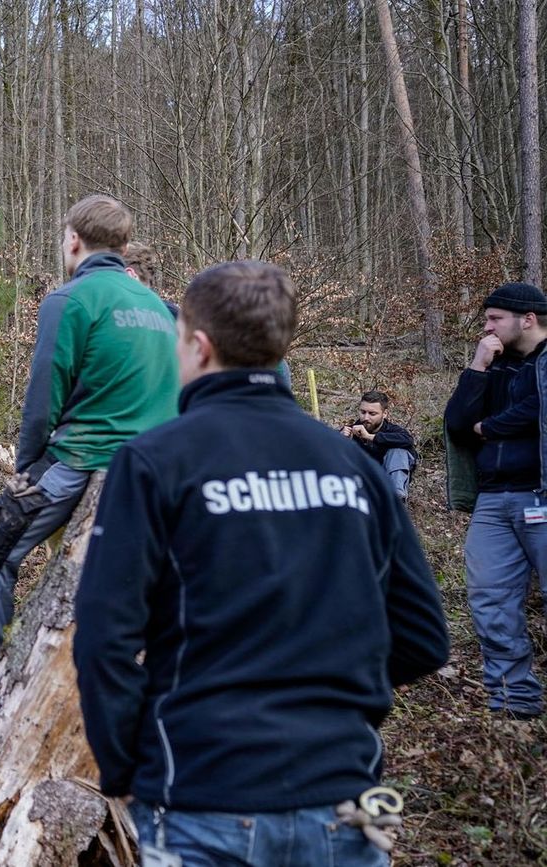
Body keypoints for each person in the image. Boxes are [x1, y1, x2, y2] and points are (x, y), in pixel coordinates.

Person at [74, 260, 449, 867]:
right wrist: (332, 699)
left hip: (202, 793)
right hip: (345, 792)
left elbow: (101, 639)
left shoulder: (154, 461)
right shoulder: (351, 464)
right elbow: (425, 638)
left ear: (197, 347)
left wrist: (126, 766)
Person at [0, 195, 179, 729]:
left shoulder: (70, 299)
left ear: (74, 242)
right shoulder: (158, 307)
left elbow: (44, 393)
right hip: (156, 472)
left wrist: (29, 464)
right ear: (125, 247)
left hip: (82, 460)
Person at [443, 281, 547, 720]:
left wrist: (489, 427)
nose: (486, 327)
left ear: (527, 320)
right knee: (488, 599)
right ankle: (513, 703)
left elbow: (537, 409)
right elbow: (457, 423)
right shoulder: (495, 364)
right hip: (493, 500)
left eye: (493, 319)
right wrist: (478, 366)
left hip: (540, 494)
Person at [342, 390, 417, 498]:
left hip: (387, 482)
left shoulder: (393, 430)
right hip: (359, 484)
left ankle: (396, 499)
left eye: (372, 414)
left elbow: (408, 440)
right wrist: (340, 438)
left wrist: (370, 437)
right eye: (363, 412)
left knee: (398, 451)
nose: (366, 418)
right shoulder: (351, 430)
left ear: (384, 414)